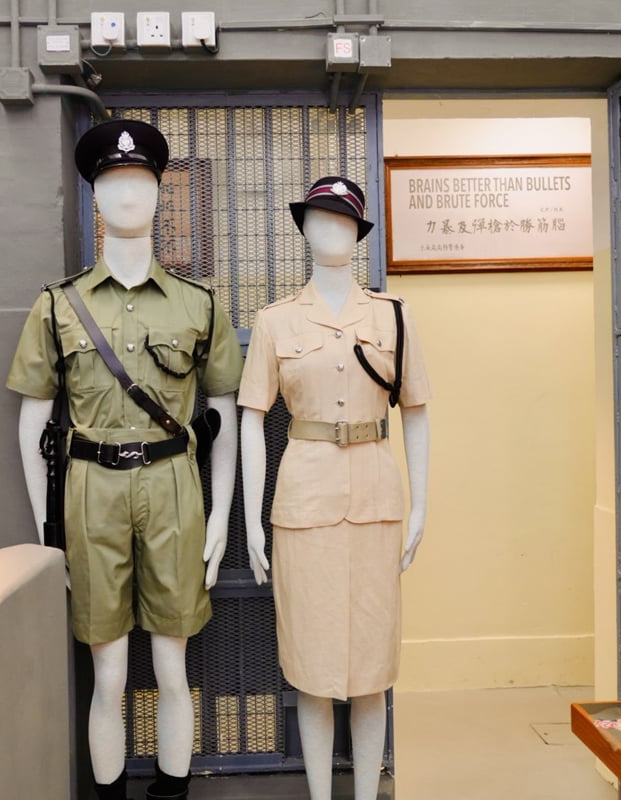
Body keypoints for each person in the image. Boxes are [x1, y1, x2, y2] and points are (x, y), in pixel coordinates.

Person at [6, 119, 242, 800]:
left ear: (162, 193)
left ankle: (171, 792)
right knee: (107, 673)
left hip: (174, 489)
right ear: (94, 196)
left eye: (140, 180)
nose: (127, 194)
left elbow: (223, 415)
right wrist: (47, 532)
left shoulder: (198, 304)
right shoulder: (58, 305)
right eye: (112, 181)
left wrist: (218, 516)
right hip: (90, 493)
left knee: (172, 667)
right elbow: (32, 420)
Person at [237, 177, 431, 800]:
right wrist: (251, 520)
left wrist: (422, 505)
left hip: (376, 499)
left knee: (373, 668)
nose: (333, 230)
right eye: (320, 218)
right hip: (304, 503)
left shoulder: (393, 316)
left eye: (345, 220)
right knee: (313, 668)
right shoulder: (275, 321)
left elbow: (416, 411)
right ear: (304, 229)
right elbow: (250, 418)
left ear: (359, 232)